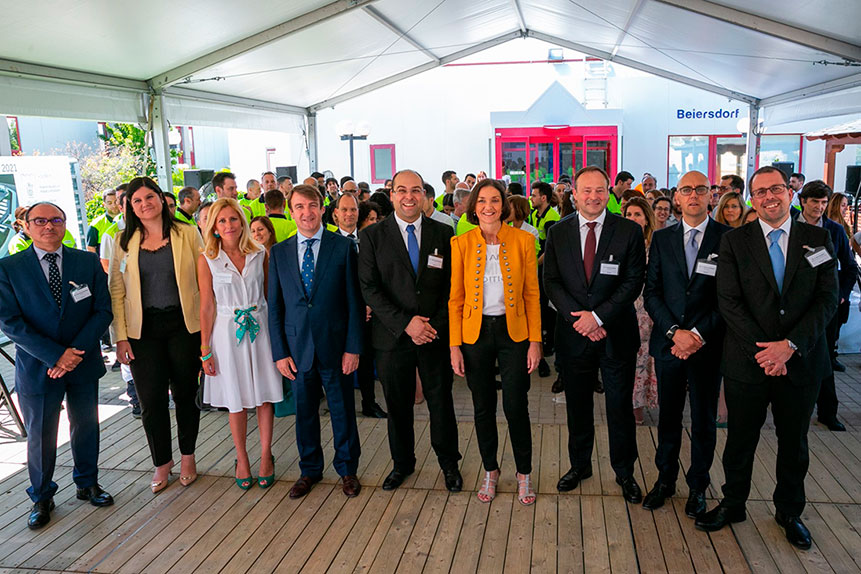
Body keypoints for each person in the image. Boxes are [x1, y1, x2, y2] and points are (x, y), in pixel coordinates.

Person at [695, 166, 838, 551]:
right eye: (761, 192)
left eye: (776, 189)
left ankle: (789, 512)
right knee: (740, 439)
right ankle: (734, 503)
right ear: (751, 199)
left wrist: (790, 345)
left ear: (789, 193)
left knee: (795, 442)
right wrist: (767, 350)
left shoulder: (818, 238)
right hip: (748, 359)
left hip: (802, 360)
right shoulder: (734, 242)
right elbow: (728, 301)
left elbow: (827, 299)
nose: (770, 197)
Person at [0, 202, 114, 530]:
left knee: (86, 424)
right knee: (40, 433)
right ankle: (41, 495)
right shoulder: (9, 268)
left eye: (56, 220)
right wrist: (55, 355)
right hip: (38, 366)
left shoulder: (86, 261)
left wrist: (73, 353)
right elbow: (10, 322)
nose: (48, 226)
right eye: (40, 221)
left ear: (64, 224)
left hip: (81, 361)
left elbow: (102, 311)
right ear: (26, 225)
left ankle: (87, 483)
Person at [544, 166, 646, 503]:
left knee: (619, 406)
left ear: (609, 192)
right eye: (586, 191)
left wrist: (599, 317)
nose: (593, 197)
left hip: (616, 333)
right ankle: (579, 465)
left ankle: (624, 472)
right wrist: (581, 320)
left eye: (600, 190)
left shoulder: (628, 231)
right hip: (574, 335)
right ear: (573, 194)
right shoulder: (558, 232)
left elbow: (633, 281)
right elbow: (552, 282)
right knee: (577, 405)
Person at [358, 169, 462, 492]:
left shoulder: (443, 234)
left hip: (434, 335)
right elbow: (369, 289)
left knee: (441, 403)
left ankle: (449, 464)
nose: (408, 196)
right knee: (397, 405)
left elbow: (452, 289)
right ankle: (402, 464)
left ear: (425, 196)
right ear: (391, 195)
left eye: (415, 190)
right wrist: (407, 324)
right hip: (392, 338)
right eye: (401, 190)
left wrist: (431, 326)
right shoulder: (373, 236)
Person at [641, 171, 730, 517]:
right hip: (669, 344)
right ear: (676, 197)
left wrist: (697, 336)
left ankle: (698, 486)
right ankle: (665, 480)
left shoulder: (728, 239)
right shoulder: (663, 239)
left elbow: (728, 298)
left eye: (700, 189)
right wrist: (674, 333)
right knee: (668, 417)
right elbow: (652, 293)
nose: (693, 195)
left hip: (708, 347)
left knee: (704, 420)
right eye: (686, 190)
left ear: (711, 195)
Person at [449, 179, 542, 505]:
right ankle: (491, 469)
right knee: (482, 406)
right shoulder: (460, 243)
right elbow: (455, 300)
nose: (488, 206)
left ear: (504, 205)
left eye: (494, 200)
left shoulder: (523, 240)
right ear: (474, 207)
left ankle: (524, 472)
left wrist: (535, 341)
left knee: (516, 405)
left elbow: (532, 294)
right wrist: (454, 345)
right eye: (482, 201)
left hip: (513, 333)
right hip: (474, 335)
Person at [268, 184, 364, 499]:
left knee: (342, 411)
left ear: (322, 209)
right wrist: (280, 353)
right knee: (305, 413)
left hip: (336, 349)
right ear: (291, 211)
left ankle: (347, 470)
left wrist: (353, 347)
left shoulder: (342, 247)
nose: (306, 212)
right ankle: (309, 470)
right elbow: (276, 308)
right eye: (299, 207)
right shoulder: (280, 252)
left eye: (311, 205)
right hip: (297, 351)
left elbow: (354, 302)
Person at [109, 177, 203, 494]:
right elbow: (117, 292)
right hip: (142, 333)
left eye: (150, 197)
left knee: (185, 394)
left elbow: (205, 284)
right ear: (129, 206)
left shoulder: (187, 233)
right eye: (137, 200)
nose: (145, 203)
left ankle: (188, 457)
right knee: (150, 401)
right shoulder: (122, 240)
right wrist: (120, 337)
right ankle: (162, 462)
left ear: (161, 200)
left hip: (184, 327)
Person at [198, 199, 283, 489]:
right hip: (226, 333)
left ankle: (265, 454)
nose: (229, 225)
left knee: (264, 395)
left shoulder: (260, 253)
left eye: (233, 219)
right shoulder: (207, 258)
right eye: (222, 221)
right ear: (214, 227)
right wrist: (204, 349)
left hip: (260, 330)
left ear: (242, 222)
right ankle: (242, 457)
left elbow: (271, 295)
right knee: (236, 399)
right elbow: (207, 306)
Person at [798, 180, 856, 430]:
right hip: (793, 307)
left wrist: (840, 295)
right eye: (815, 202)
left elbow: (849, 266)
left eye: (823, 203)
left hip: (825, 307)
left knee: (824, 359)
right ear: (803, 201)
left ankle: (827, 412)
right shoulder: (788, 226)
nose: (819, 207)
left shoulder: (834, 230)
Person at [622, 197, 658, 425]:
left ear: (646, 219)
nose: (633, 219)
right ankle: (626, 402)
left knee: (645, 359)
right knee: (627, 358)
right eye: (629, 215)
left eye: (637, 214)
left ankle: (639, 405)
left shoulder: (656, 246)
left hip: (648, 310)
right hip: (624, 308)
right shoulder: (619, 244)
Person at [528, 181, 560, 378]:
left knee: (545, 306)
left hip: (543, 267)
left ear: (544, 198)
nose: (531, 198)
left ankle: (549, 342)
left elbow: (549, 249)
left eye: (534, 195)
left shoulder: (552, 217)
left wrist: (534, 265)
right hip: (535, 264)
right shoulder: (534, 214)